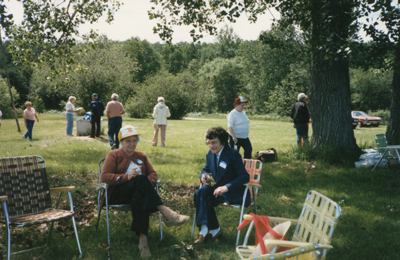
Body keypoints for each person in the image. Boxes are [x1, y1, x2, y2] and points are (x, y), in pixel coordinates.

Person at [101, 125, 189, 258]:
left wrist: (145, 184)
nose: (132, 144)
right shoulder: (113, 155)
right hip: (118, 195)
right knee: (140, 179)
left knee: (139, 196)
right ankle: (167, 213)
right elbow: (105, 177)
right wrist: (127, 177)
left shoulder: (141, 155)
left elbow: (153, 174)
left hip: (137, 195)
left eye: (134, 140)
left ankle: (143, 244)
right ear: (121, 142)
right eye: (128, 141)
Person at [193, 127, 250, 244]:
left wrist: (226, 186)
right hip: (218, 190)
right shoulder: (211, 153)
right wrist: (204, 175)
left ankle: (214, 229)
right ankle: (204, 229)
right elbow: (205, 169)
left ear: (223, 142)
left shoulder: (233, 154)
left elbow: (244, 176)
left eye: (214, 142)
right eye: (208, 143)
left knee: (205, 197)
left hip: (234, 192)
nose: (211, 146)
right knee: (200, 192)